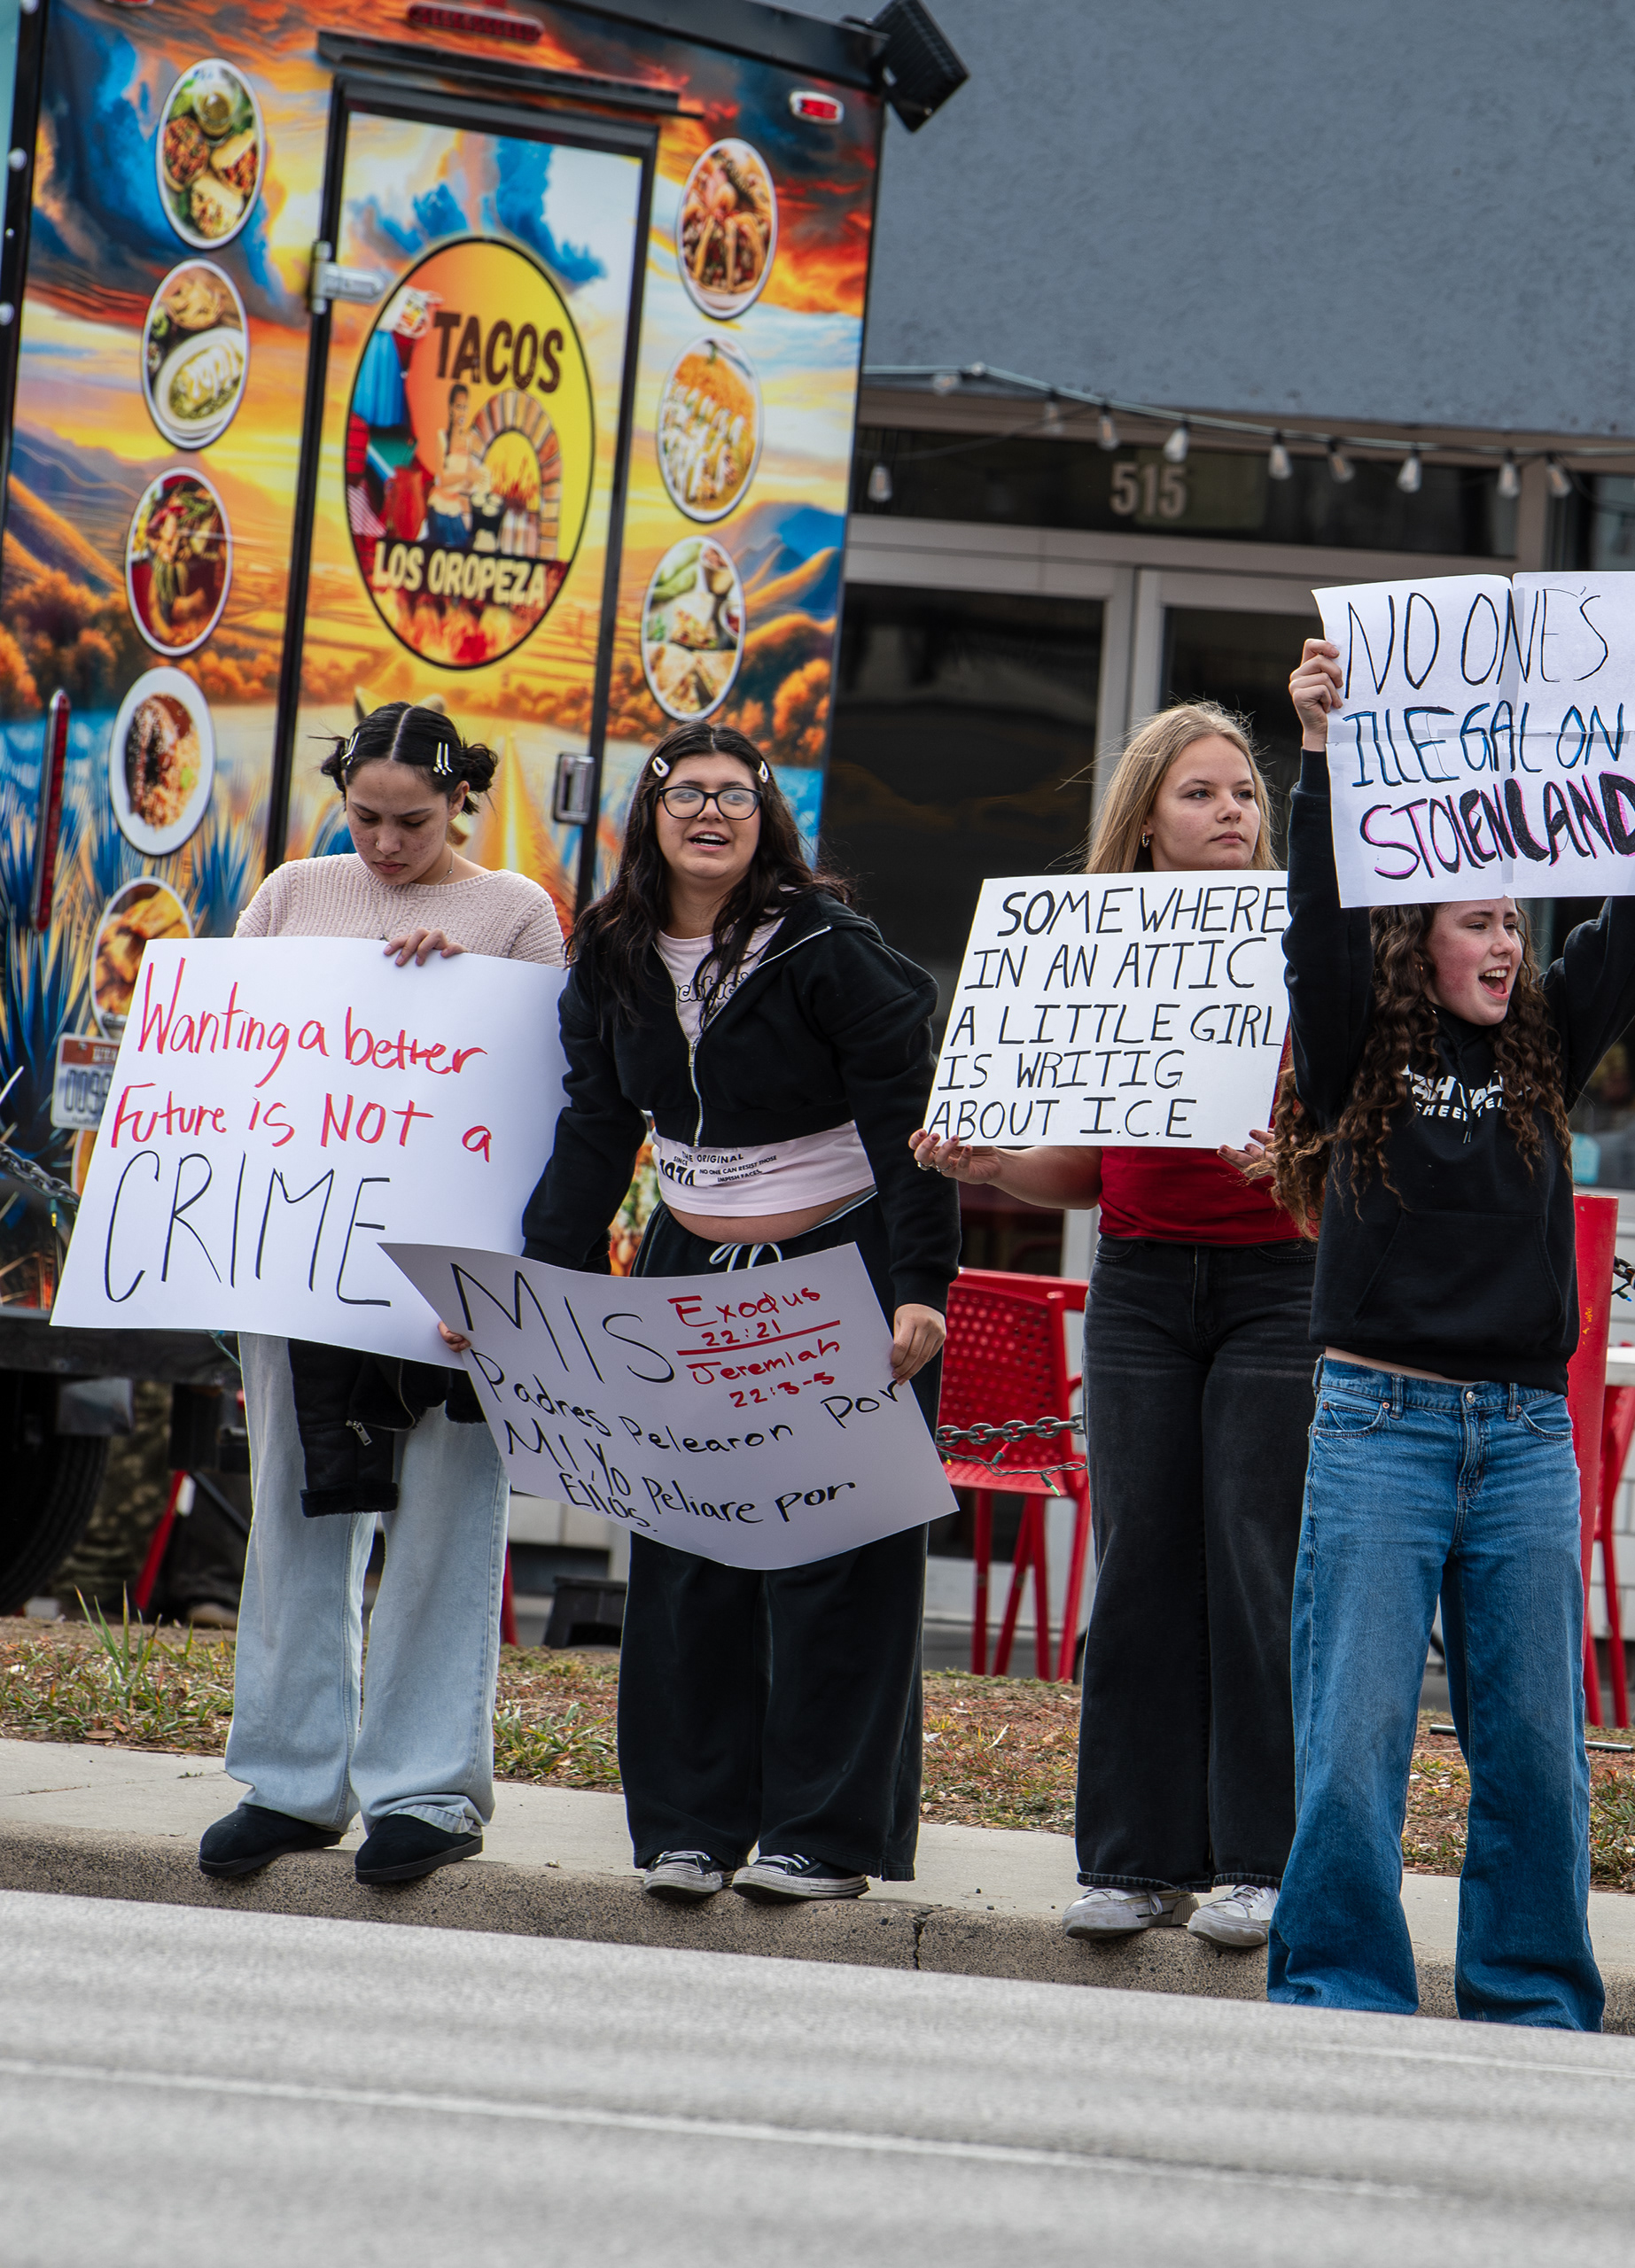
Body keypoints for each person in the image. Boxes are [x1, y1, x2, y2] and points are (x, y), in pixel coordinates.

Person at [1263, 631, 1635, 2029]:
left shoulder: (1545, 1044)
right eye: (1479, 920)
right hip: (1380, 1425)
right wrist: (1323, 756)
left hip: (1524, 1435)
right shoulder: (1360, 1040)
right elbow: (1318, 920)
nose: (1508, 940)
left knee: (1533, 1747)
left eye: (1518, 924)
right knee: (1352, 1739)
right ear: (1422, 935)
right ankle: (1343, 1981)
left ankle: (1529, 1992)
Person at [518, 721, 957, 1904]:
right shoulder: (609, 950)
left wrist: (923, 1288)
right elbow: (596, 1130)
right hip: (686, 1273)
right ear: (649, 816)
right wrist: (540, 1281)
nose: (710, 813)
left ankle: (822, 1839)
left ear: (767, 820)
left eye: (735, 797)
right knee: (689, 1551)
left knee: (836, 1559)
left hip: (839, 1269)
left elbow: (910, 1133)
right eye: (685, 793)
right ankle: (690, 1829)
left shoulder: (824, 945)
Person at [912, 703, 1316, 1950]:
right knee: (1140, 1564)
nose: (1232, 812)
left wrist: (1295, 1166)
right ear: (1145, 822)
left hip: (1278, 1284)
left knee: (1255, 1563)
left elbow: (1358, 1145)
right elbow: (1088, 1171)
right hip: (1140, 1285)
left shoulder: (1310, 939)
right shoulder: (1104, 947)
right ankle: (1132, 1861)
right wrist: (992, 1163)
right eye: (1201, 794)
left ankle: (1258, 1860)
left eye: (1245, 791)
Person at [196, 704, 564, 1888]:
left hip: (449, 1265)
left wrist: (451, 994)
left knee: (447, 1523)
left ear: (462, 799)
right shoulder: (294, 894)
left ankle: (427, 1790)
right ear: (339, 793)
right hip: (304, 1258)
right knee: (299, 1515)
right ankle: (293, 1780)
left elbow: (550, 1086)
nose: (387, 845)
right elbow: (230, 1054)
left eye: (413, 821)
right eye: (364, 817)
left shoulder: (514, 913)